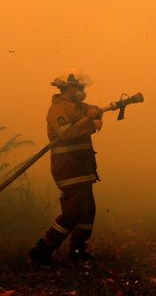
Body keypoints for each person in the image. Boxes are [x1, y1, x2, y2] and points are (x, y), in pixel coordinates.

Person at [28, 69, 104, 266]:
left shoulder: (77, 106)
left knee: (88, 210)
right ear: (68, 88)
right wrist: (92, 124)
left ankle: (78, 250)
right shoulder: (57, 110)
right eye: (79, 87)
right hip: (68, 168)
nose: (82, 91)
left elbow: (92, 112)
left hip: (83, 166)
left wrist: (95, 111)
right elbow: (67, 134)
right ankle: (43, 249)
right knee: (72, 212)